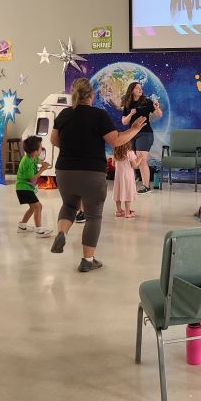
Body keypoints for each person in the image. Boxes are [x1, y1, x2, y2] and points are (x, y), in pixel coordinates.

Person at [50, 78, 147, 272]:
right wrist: (134, 129)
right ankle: (87, 260)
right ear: (91, 96)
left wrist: (73, 147)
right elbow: (116, 140)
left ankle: (62, 232)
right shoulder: (99, 115)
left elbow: (54, 140)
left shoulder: (64, 114)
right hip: (91, 172)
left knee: (69, 206)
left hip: (64, 171)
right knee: (93, 216)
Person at [121, 81, 163, 194]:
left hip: (145, 134)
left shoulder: (147, 101)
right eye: (137, 88)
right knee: (131, 160)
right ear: (132, 90)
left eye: (141, 88)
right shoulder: (127, 104)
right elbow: (124, 122)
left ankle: (146, 186)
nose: (140, 90)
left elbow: (159, 114)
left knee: (142, 160)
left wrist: (157, 108)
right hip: (132, 134)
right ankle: (130, 184)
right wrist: (130, 114)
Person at [16, 136, 52, 236]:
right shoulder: (27, 162)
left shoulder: (32, 157)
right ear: (35, 151)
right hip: (23, 188)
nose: (42, 149)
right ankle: (39, 230)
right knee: (38, 207)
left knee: (33, 207)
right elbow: (32, 179)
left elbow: (37, 161)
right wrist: (42, 169)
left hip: (26, 188)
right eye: (41, 148)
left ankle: (22, 226)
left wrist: (43, 163)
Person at [112, 142, 140, 218]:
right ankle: (127, 213)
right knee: (127, 193)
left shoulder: (115, 153)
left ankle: (118, 211)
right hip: (128, 177)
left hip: (118, 177)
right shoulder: (130, 153)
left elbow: (113, 164)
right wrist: (139, 159)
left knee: (118, 193)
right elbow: (134, 165)